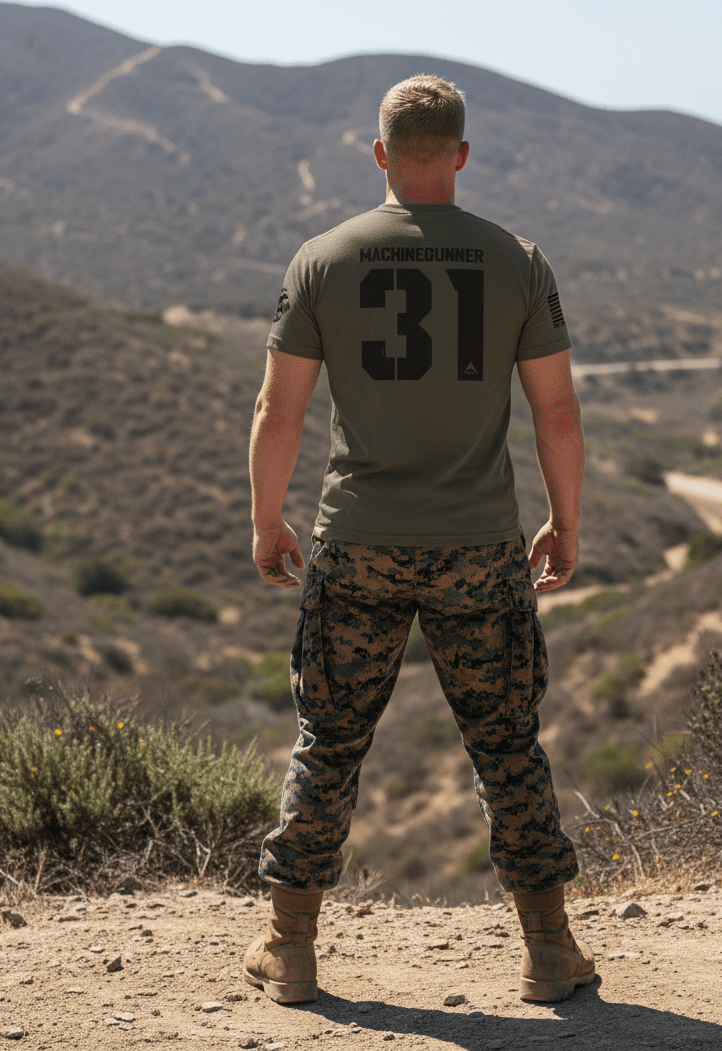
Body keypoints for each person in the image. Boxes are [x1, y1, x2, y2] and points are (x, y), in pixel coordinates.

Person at [243, 74, 594, 1006]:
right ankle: (550, 953)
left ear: (381, 154)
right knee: (507, 745)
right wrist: (565, 520)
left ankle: (290, 948)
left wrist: (267, 519)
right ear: (463, 156)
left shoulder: (323, 258)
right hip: (481, 547)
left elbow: (282, 410)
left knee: (329, 741)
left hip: (356, 541)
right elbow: (555, 412)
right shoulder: (518, 261)